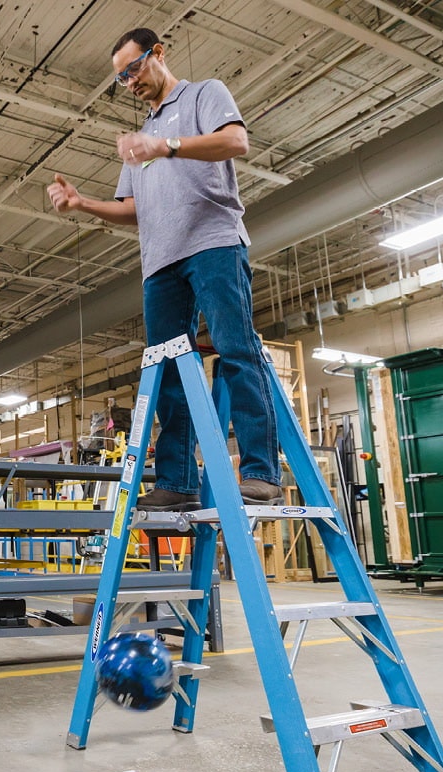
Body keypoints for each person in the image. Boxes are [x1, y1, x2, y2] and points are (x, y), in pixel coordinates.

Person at [47, 27, 281, 512]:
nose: (129, 82)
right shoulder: (140, 140)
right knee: (170, 370)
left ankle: (261, 471)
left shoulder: (203, 95)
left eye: (132, 69)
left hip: (213, 243)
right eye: (120, 78)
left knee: (236, 348)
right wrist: (81, 202)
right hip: (159, 262)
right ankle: (177, 480)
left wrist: (168, 146)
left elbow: (236, 141)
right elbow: (133, 208)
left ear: (158, 53)